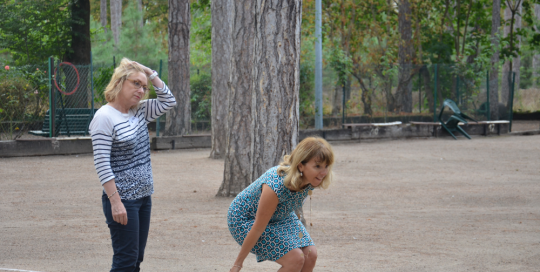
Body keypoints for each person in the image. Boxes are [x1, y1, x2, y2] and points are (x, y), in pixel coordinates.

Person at [89, 58, 176, 272]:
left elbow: (169, 101)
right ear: (119, 82)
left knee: (135, 260)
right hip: (123, 200)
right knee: (125, 261)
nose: (141, 90)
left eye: (144, 87)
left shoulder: (139, 111)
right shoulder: (104, 117)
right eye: (135, 83)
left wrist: (148, 72)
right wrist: (116, 202)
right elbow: (101, 163)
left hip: (143, 197)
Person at [228, 137, 335, 272]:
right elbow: (258, 227)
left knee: (310, 254)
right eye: (318, 166)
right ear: (301, 165)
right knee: (295, 258)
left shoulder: (310, 179)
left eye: (326, 166)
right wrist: (238, 264)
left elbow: (292, 203)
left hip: (280, 215)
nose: (324, 172)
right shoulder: (276, 186)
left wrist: (294, 235)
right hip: (245, 219)